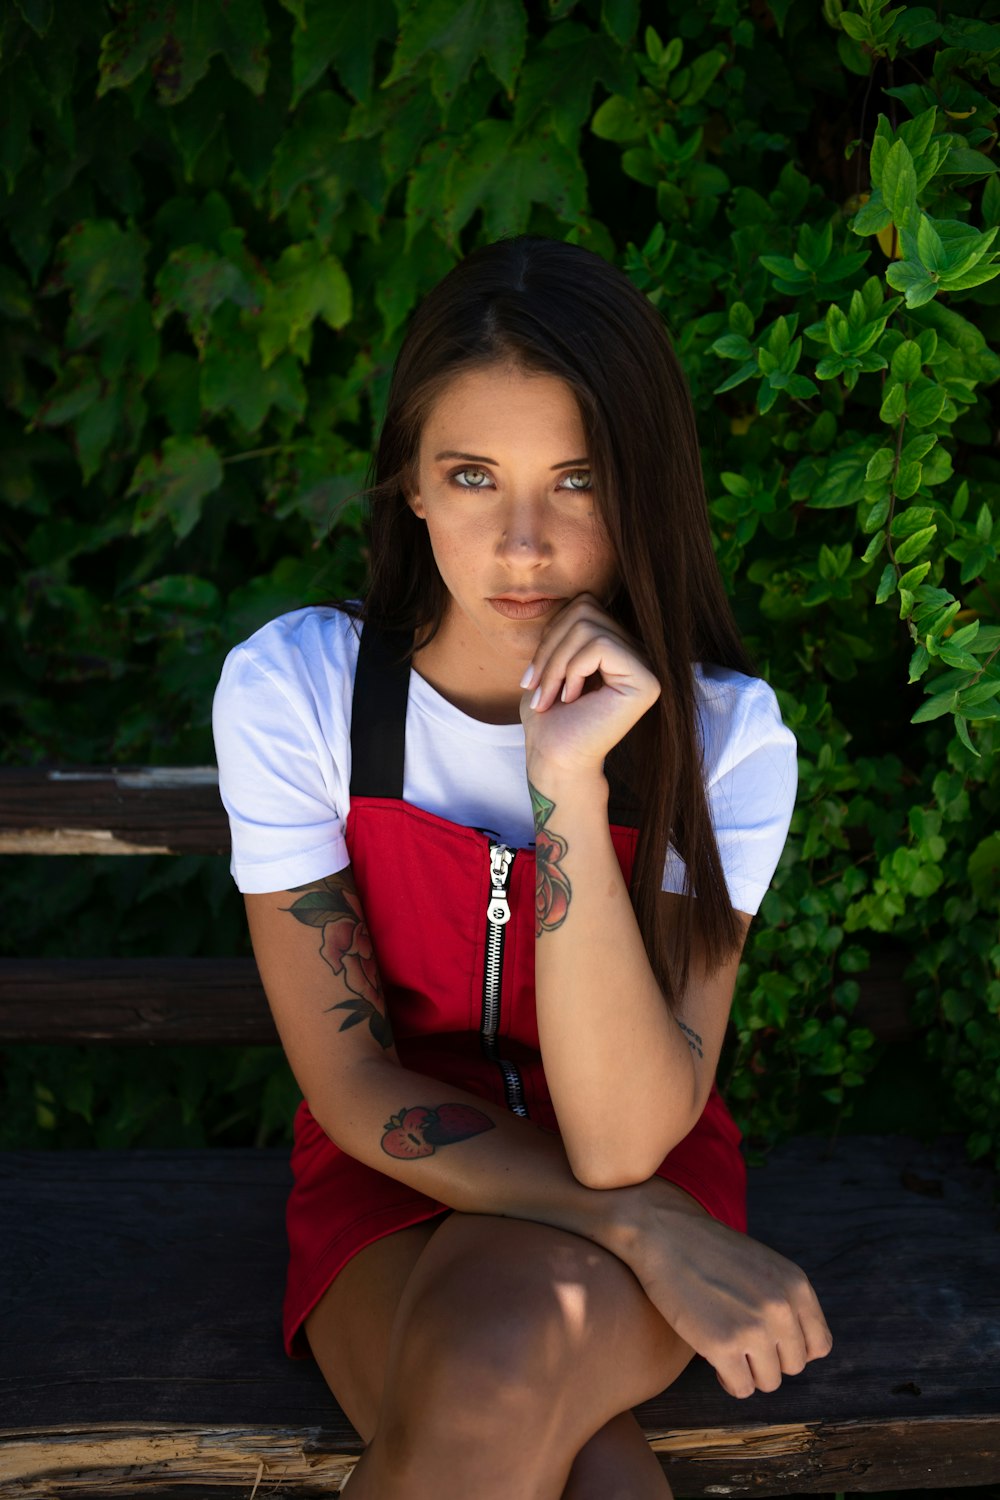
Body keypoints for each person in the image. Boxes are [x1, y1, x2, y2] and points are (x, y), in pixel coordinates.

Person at [212, 234, 832, 1500]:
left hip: (649, 1157)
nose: (524, 546)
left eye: (578, 483)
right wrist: (641, 1236)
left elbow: (617, 1143)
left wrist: (570, 785)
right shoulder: (302, 695)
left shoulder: (724, 744)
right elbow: (347, 1078)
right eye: (475, 476)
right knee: (580, 1458)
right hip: (394, 1175)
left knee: (501, 1366)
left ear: (641, 492)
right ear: (412, 489)